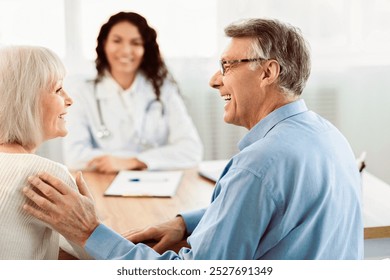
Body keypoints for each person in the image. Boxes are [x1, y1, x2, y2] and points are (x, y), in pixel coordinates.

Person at [23, 18, 363, 259]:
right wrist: (185, 223)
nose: (215, 80)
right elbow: (267, 205)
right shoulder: (329, 136)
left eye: (228, 66)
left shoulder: (258, 166)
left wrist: (89, 232)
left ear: (268, 72)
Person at [63, 12, 203, 173]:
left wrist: (134, 161)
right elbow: (74, 157)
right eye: (117, 41)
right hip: (103, 183)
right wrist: (155, 158)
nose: (126, 50)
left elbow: (191, 150)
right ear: (104, 45)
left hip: (157, 184)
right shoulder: (82, 93)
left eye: (136, 43)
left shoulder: (164, 90)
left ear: (145, 49)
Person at [0, 46, 90, 259]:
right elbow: (102, 261)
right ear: (25, 101)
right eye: (58, 90)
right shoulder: (45, 175)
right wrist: (90, 219)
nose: (69, 99)